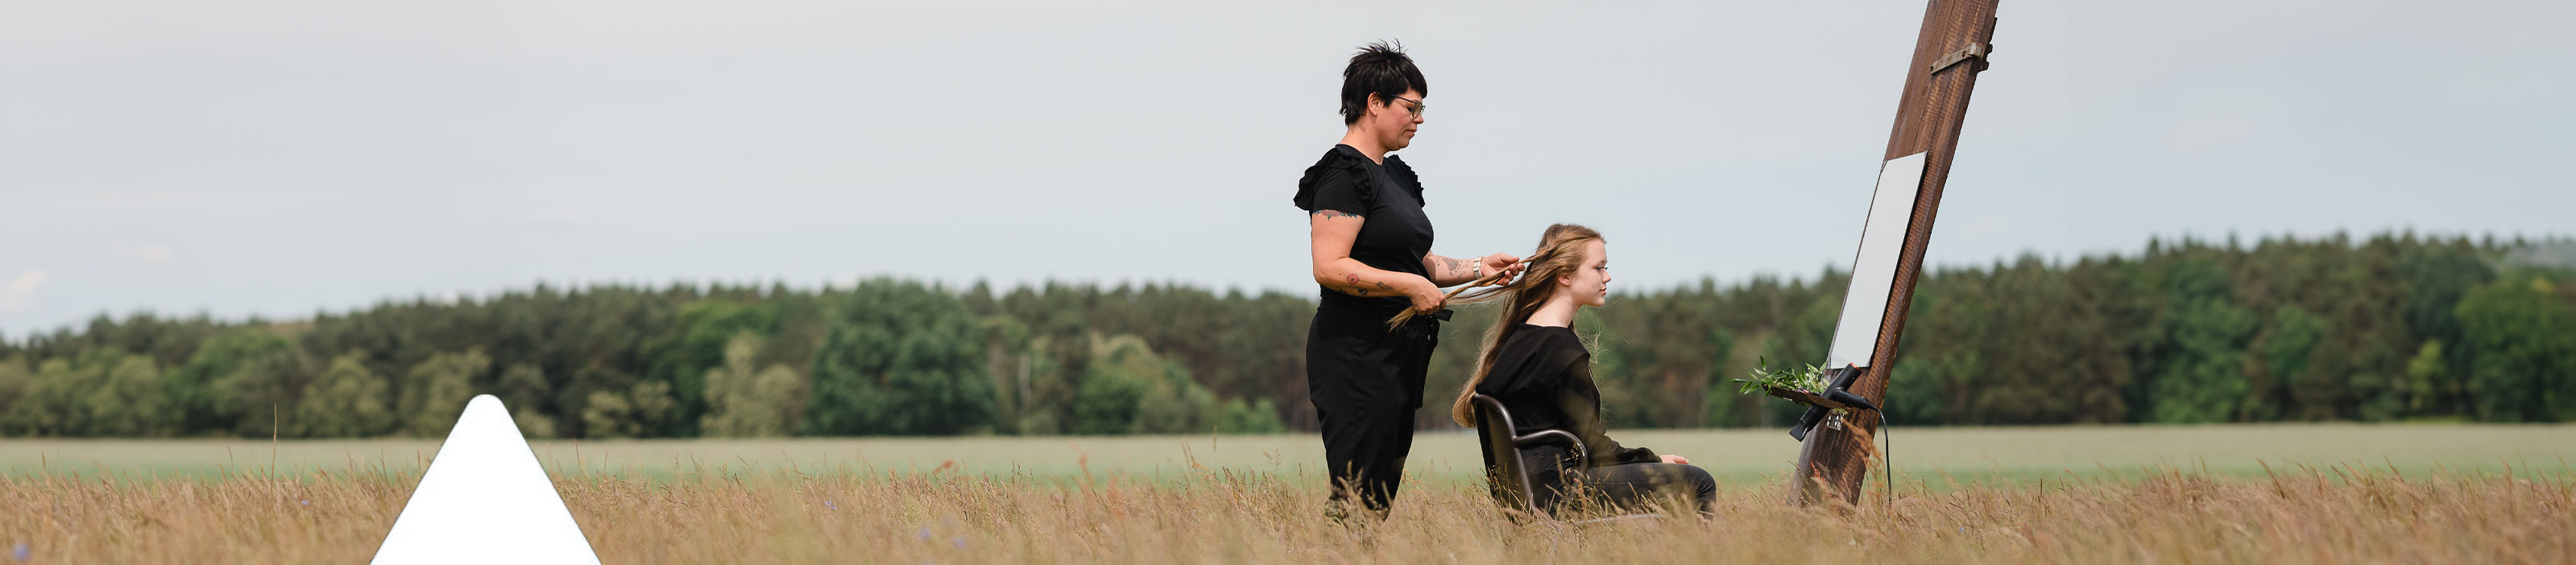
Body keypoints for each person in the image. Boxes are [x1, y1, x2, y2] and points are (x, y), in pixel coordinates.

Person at [1294, 40, 1525, 522]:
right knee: (1357, 495)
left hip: (1400, 352)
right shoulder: (1343, 174)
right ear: (1374, 102)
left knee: (1378, 497)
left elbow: (1423, 264)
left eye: (1423, 109)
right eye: (1411, 107)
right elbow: (1330, 266)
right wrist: (1408, 285)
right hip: (1357, 353)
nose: (1419, 119)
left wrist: (1482, 267)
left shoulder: (1395, 176)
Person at [1448, 224, 1717, 518]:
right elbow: (1594, 448)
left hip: (1530, 490)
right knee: (1697, 482)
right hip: (1561, 489)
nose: (1607, 276)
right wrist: (1653, 460)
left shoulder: (1523, 339)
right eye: (1599, 268)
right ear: (1564, 275)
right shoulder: (1558, 348)